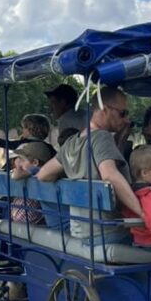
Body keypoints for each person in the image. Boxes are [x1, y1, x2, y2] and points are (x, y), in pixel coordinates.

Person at [37, 86, 143, 243]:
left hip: (81, 231)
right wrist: (143, 213)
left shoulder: (72, 142)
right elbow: (110, 175)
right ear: (105, 110)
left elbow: (43, 174)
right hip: (109, 230)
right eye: (123, 113)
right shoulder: (102, 137)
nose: (127, 120)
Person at [10, 142, 57, 224]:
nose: (20, 163)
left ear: (35, 163)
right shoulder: (42, 170)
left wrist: (18, 165)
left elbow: (15, 176)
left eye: (23, 160)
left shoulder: (37, 170)